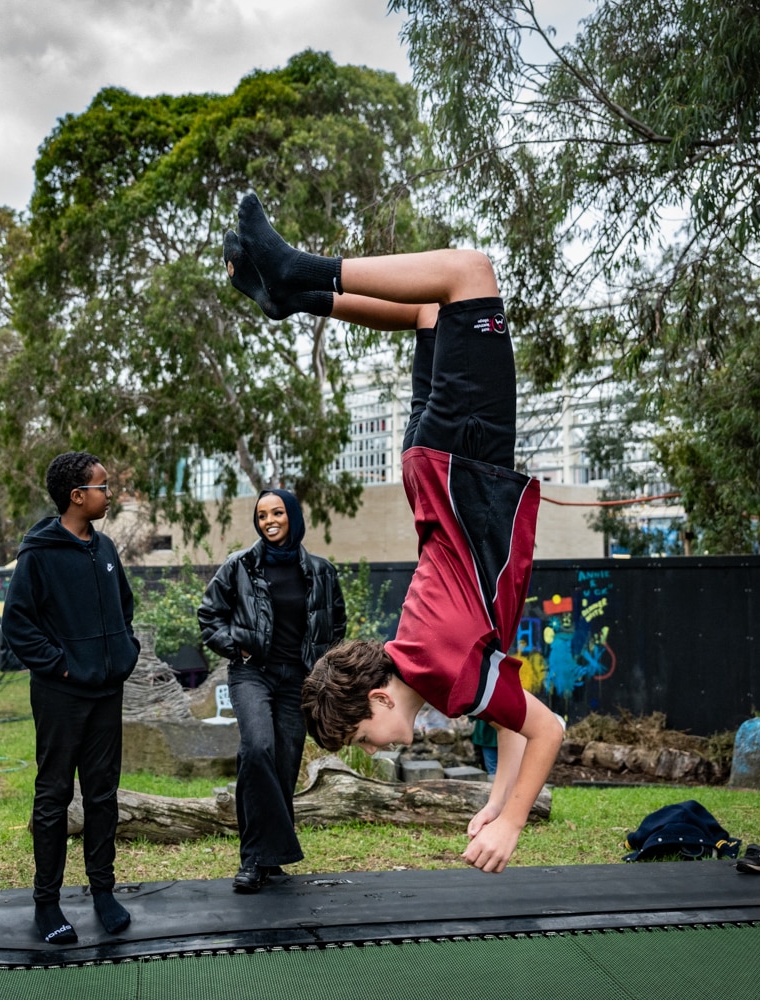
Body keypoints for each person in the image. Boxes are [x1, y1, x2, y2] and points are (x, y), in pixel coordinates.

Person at [223, 191, 564, 874]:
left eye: (363, 738)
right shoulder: (428, 667)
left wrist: (515, 825)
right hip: (433, 468)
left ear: (380, 699)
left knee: (468, 271)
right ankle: (299, 299)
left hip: (465, 467)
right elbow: (514, 718)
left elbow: (547, 729)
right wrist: (497, 802)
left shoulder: (444, 672)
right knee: (430, 308)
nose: (375, 750)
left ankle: (296, 269)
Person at [0, 451, 141, 945]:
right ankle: (47, 904)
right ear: (77, 496)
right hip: (61, 694)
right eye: (103, 486)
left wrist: (125, 651)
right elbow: (17, 625)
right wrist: (62, 664)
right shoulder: (38, 554)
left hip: (106, 692)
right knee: (54, 796)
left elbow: (124, 606)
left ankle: (103, 893)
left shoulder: (103, 549)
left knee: (102, 795)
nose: (109, 493)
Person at [197, 488, 345, 893]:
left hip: (298, 680)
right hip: (252, 673)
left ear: (292, 515)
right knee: (257, 748)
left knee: (282, 765)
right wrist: (234, 645)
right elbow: (209, 615)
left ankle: (268, 858)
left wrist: (322, 667)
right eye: (262, 515)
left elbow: (337, 627)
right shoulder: (239, 565)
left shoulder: (321, 571)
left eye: (277, 512)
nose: (269, 521)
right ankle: (253, 858)